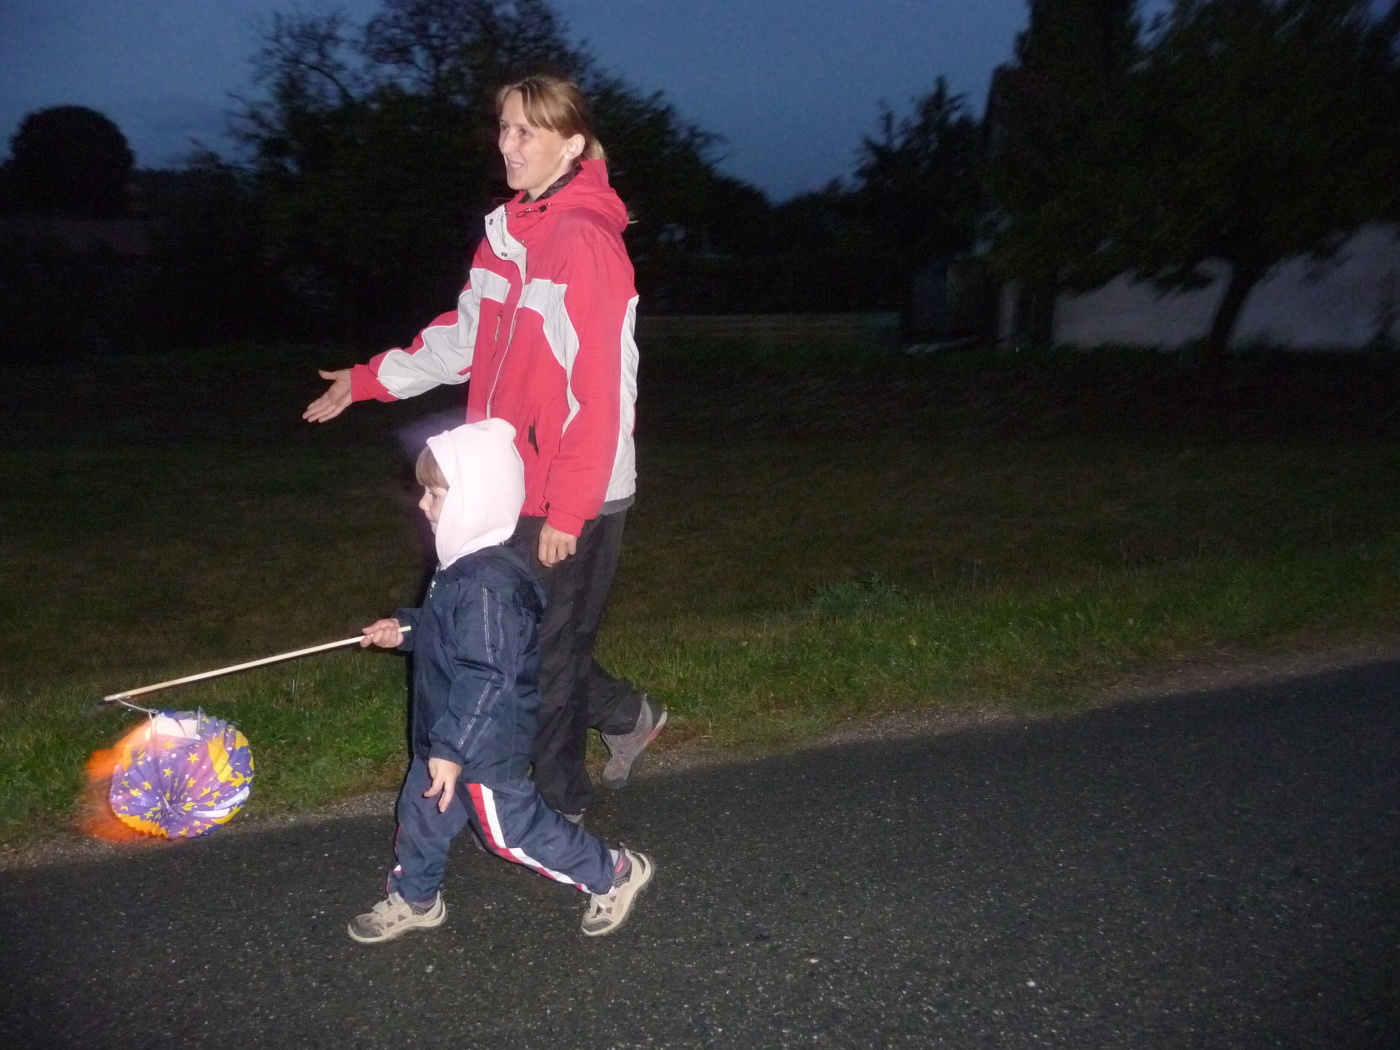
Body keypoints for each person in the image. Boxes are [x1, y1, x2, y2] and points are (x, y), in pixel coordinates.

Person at [304, 73, 665, 821]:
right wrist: (368, 380)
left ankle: (559, 816)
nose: (509, 144)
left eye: (527, 131)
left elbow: (600, 391)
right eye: (504, 127)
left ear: (572, 145)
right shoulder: (508, 234)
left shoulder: (584, 243)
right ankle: (629, 716)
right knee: (507, 638)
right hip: (505, 480)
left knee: (549, 656)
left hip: (578, 487)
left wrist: (569, 509)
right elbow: (463, 339)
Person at [349, 420, 654, 943]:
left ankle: (615, 872)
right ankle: (416, 898)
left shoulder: (487, 585)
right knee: (422, 814)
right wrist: (403, 629)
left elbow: (489, 675)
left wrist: (453, 749)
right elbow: (448, 630)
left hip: (482, 743)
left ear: (474, 503)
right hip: (448, 731)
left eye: (435, 494)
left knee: (510, 831)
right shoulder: (461, 566)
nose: (422, 503)